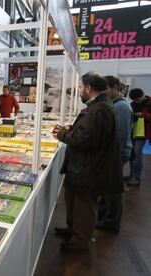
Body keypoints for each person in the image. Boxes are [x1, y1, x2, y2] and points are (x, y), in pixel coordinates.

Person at [53, 72, 123, 252]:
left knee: (83, 207)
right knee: (73, 202)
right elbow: (88, 131)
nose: (80, 91)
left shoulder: (99, 109)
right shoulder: (98, 106)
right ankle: (72, 231)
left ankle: (79, 242)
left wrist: (62, 135)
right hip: (81, 167)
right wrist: (72, 128)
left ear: (89, 88)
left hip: (88, 168)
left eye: (81, 87)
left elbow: (85, 139)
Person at [96, 76, 133, 233]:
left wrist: (109, 155)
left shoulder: (122, 107)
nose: (104, 92)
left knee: (113, 190)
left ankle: (111, 222)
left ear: (115, 87)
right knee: (108, 188)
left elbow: (121, 135)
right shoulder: (116, 105)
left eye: (106, 89)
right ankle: (105, 218)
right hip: (113, 153)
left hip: (117, 154)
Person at [126, 88, 151, 185]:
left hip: (143, 132)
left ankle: (136, 178)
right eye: (134, 100)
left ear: (142, 95)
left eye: (137, 99)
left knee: (137, 153)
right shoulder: (132, 104)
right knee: (132, 153)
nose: (136, 102)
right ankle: (132, 175)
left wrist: (143, 115)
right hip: (133, 131)